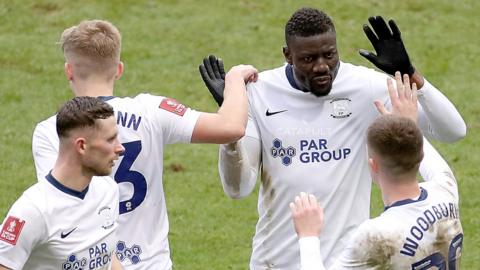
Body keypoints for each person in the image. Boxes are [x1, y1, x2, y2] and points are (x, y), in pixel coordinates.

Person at [199, 7, 466, 269]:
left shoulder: (365, 87)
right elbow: (238, 188)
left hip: (349, 261)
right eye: (308, 59)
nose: (321, 66)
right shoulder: (259, 92)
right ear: (288, 55)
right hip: (274, 262)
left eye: (329, 55)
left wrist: (411, 74)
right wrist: (231, 123)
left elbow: (453, 131)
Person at [31, 20, 258, 270]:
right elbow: (232, 127)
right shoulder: (151, 110)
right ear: (118, 69)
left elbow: (59, 208)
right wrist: (235, 79)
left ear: (69, 71)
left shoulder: (51, 131)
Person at [290, 73, 462, 269]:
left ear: (373, 165)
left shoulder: (376, 235)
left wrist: (308, 236)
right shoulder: (445, 190)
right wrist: (408, 126)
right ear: (419, 156)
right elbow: (427, 157)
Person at [0, 97, 124, 269]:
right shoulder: (32, 211)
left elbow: (107, 258)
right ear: (81, 146)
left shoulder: (108, 190)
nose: (120, 148)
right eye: (110, 140)